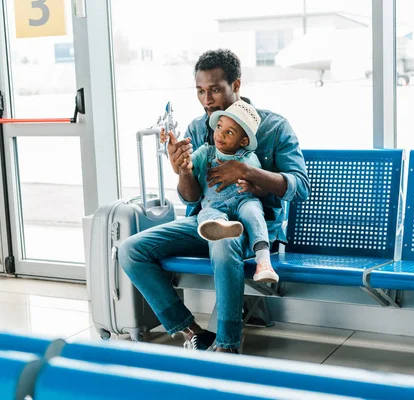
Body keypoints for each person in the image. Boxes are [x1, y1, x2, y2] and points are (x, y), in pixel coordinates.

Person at [119, 49, 310, 353]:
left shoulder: (274, 127)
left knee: (224, 241)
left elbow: (299, 188)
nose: (207, 100)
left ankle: (228, 346)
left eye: (215, 89)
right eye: (200, 91)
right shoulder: (198, 129)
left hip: (252, 227)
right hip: (204, 220)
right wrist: (182, 171)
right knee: (130, 250)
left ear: (236, 85)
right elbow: (191, 195)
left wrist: (248, 171)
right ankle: (192, 331)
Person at [167, 99, 279, 284]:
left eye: (229, 132)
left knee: (253, 212)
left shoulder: (248, 158)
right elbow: (189, 164)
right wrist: (183, 161)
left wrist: (253, 188)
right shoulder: (205, 152)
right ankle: (219, 226)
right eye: (219, 127)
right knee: (207, 213)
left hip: (244, 201)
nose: (220, 134)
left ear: (243, 140)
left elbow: (263, 190)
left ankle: (264, 262)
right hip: (215, 205)